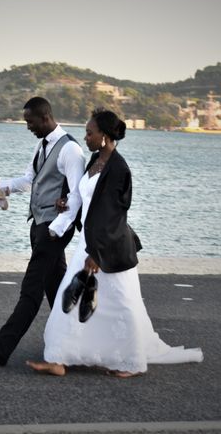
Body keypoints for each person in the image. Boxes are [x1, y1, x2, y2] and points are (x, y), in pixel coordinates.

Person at [27, 108, 203, 377]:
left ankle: (132, 363)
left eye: (90, 133)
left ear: (105, 136)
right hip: (89, 242)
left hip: (109, 249)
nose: (85, 138)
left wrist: (97, 253)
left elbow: (113, 215)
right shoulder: (96, 160)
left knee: (123, 305)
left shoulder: (119, 169)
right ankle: (58, 359)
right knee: (70, 302)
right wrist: (66, 206)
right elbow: (87, 198)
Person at [0, 96, 86, 366]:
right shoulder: (42, 145)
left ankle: (2, 348)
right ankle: (76, 345)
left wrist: (55, 231)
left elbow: (76, 196)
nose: (28, 127)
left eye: (30, 121)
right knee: (57, 289)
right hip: (39, 225)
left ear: (44, 118)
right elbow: (30, 179)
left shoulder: (71, 150)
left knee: (30, 290)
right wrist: (1, 187)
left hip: (53, 230)